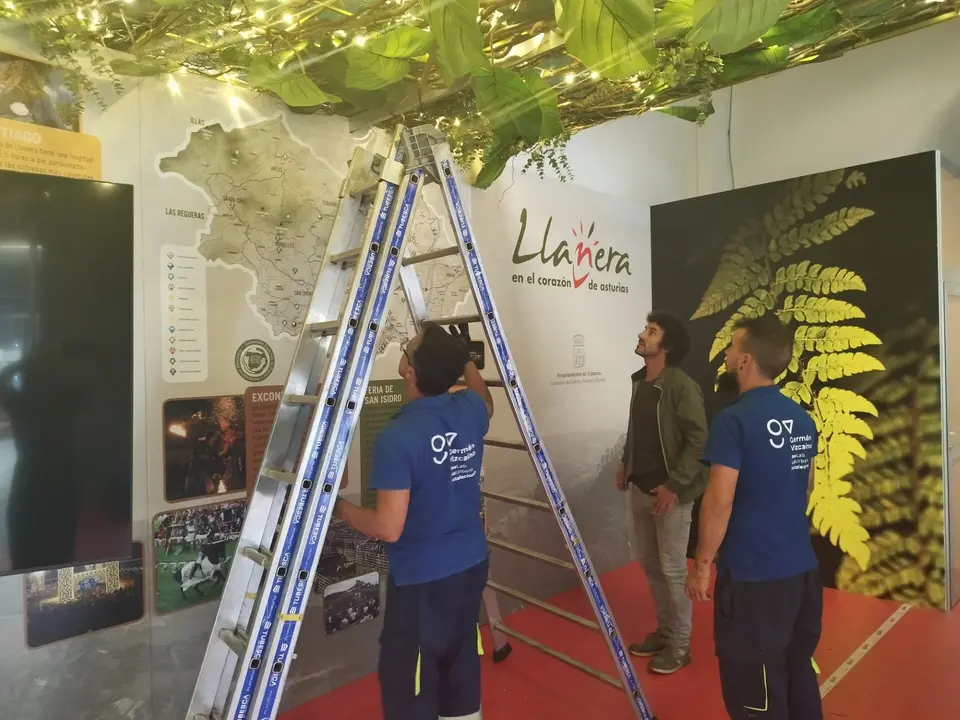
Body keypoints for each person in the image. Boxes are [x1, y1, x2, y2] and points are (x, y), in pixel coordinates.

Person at [334, 322, 493, 720]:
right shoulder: (469, 409)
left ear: (409, 370)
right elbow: (486, 398)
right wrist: (466, 359)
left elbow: (389, 527)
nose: (403, 351)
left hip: (424, 582)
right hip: (471, 566)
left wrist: (337, 508)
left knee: (412, 682)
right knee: (459, 667)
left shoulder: (398, 437)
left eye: (407, 348)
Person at [685, 314, 823, 720]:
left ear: (745, 360)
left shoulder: (733, 420)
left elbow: (719, 502)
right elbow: (808, 487)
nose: (726, 352)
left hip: (753, 582)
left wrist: (702, 565)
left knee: (754, 693)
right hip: (802, 574)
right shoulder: (802, 419)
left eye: (731, 346)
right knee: (797, 672)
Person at [616, 311, 708, 674]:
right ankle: (666, 632)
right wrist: (626, 463)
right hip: (641, 488)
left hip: (671, 495)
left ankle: (681, 647)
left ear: (665, 346)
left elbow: (699, 441)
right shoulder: (640, 382)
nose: (642, 334)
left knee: (671, 570)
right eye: (645, 329)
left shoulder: (682, 387)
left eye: (651, 332)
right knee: (650, 564)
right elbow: (636, 430)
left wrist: (673, 486)